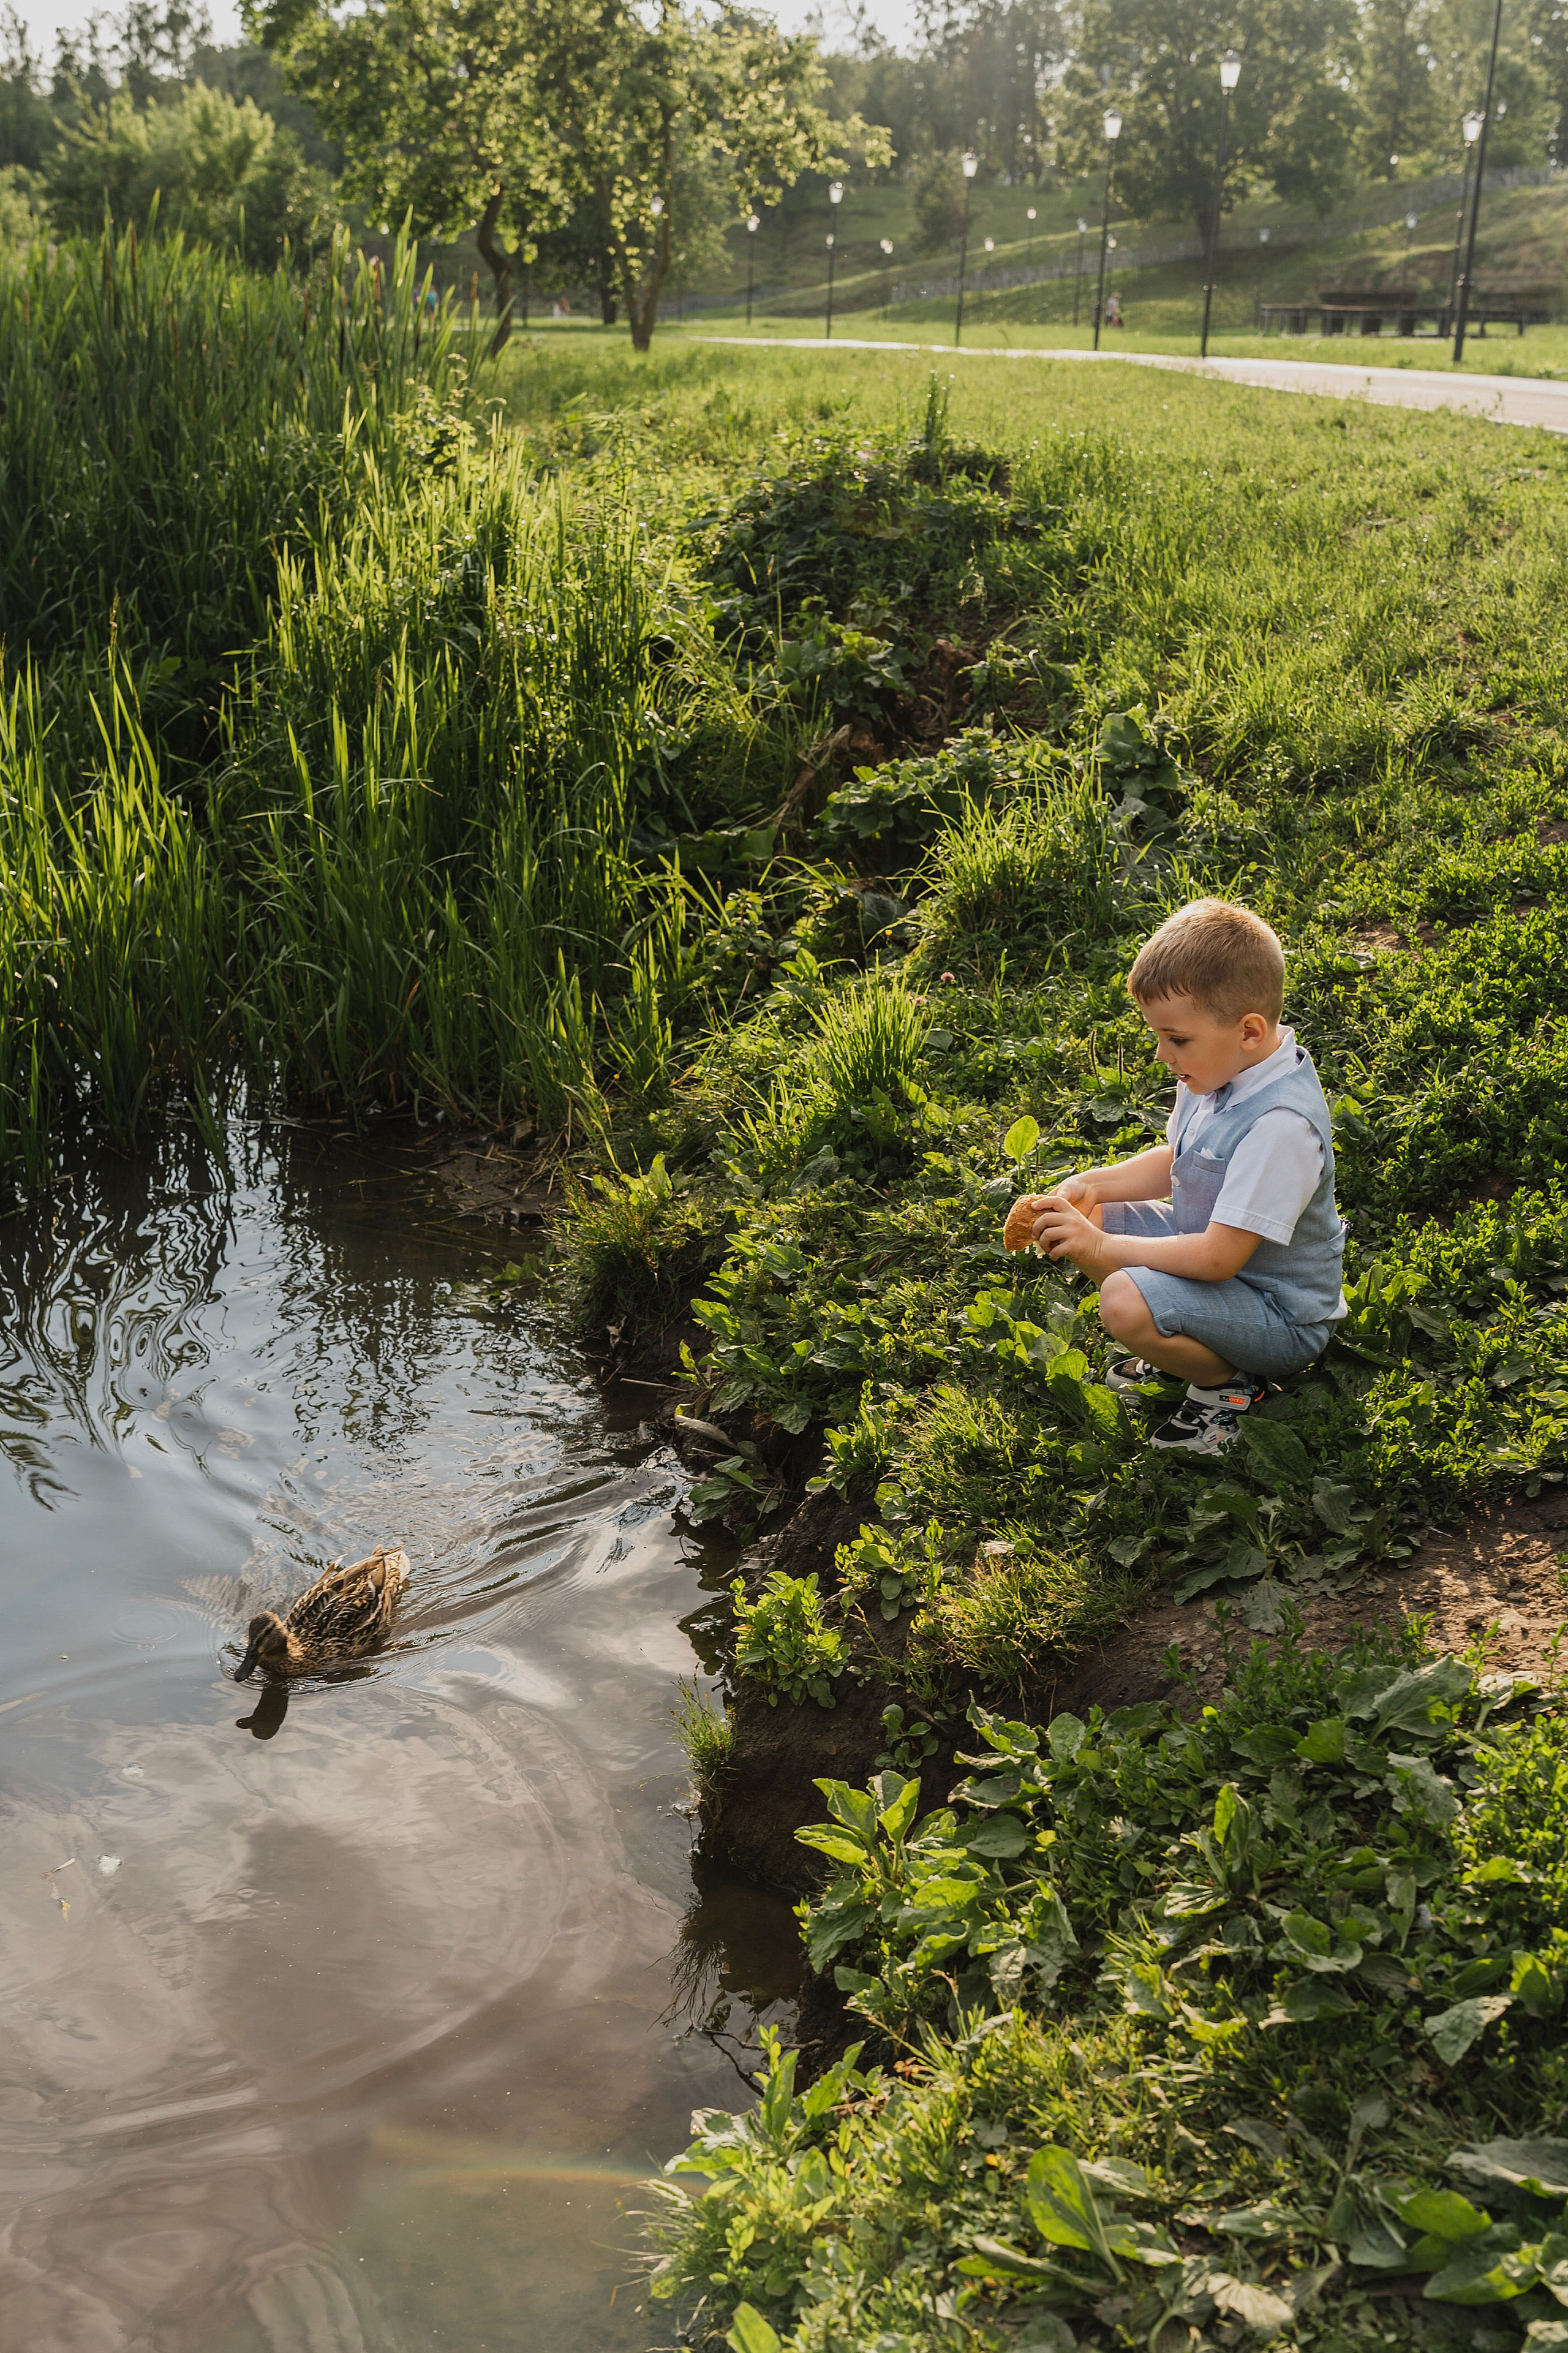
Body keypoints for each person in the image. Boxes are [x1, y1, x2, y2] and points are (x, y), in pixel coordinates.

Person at [1005, 898, 1346, 1456]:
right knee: (1082, 1217)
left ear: (1250, 1032)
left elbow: (1218, 1259)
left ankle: (1228, 1389)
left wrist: (1104, 1246)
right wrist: (1096, 1185)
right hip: (1222, 1277)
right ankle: (1185, 1343)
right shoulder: (1214, 1073)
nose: (1163, 1054)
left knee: (1122, 1300)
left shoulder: (1280, 1126)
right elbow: (1180, 1159)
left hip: (1277, 1314)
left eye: (1177, 1038)